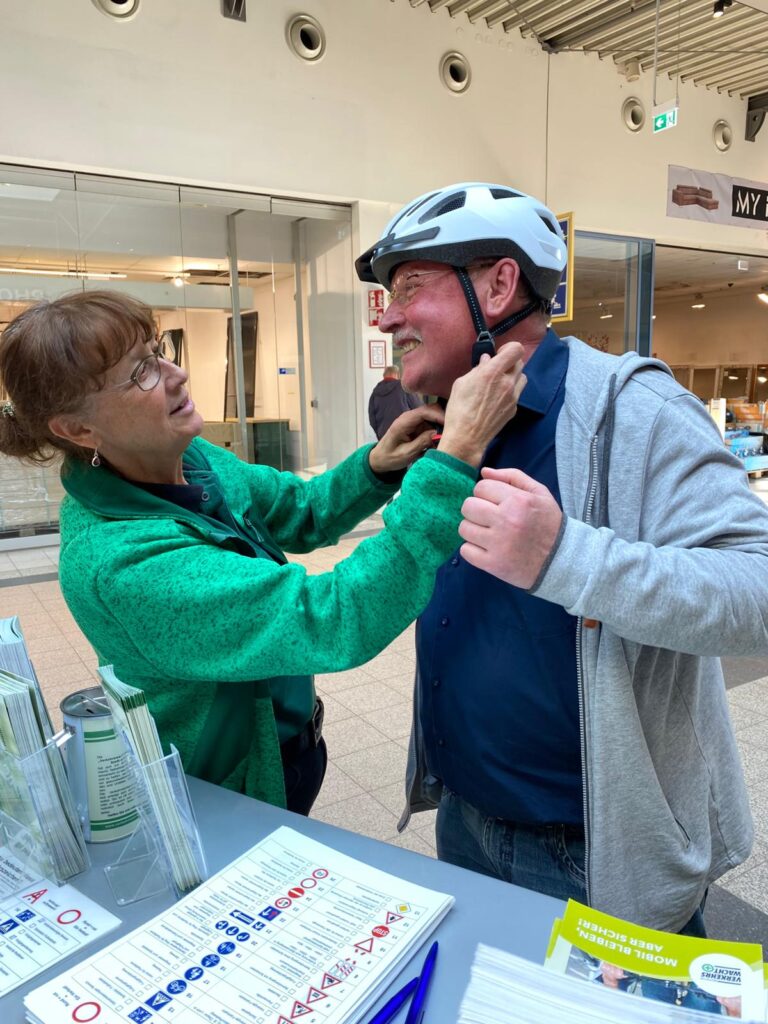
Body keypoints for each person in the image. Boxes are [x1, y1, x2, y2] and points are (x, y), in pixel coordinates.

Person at [356, 182, 768, 934]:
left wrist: (566, 556)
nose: (387, 316)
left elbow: (759, 589)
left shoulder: (635, 411)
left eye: (409, 286)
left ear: (499, 285)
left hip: (593, 855)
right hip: (463, 820)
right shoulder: (446, 426)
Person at [0, 289, 526, 816]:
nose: (176, 374)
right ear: (79, 429)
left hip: (291, 743)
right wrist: (455, 457)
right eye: (141, 372)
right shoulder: (122, 563)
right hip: (228, 787)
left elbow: (299, 508)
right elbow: (331, 616)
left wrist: (375, 467)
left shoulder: (192, 458)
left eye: (158, 351)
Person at [368, 364, 422, 440]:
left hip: (384, 436)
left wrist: (380, 434)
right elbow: (418, 408)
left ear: (384, 375)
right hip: (405, 433)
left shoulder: (375, 393)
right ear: (397, 374)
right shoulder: (403, 387)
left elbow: (372, 419)